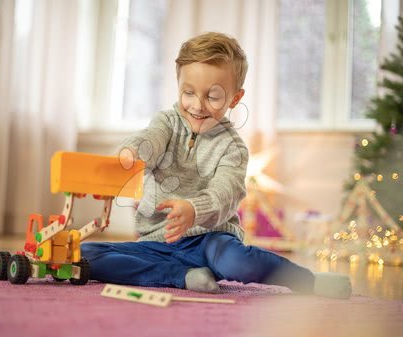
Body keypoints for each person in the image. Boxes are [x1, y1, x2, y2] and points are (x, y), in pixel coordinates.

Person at [81, 32, 352, 299]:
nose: (198, 105)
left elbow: (226, 192)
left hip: (211, 242)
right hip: (155, 244)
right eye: (189, 92)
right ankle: (183, 276)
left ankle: (308, 281)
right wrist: (132, 152)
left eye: (212, 96)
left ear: (234, 98)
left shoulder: (233, 148)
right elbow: (149, 140)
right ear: (179, 85)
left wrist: (193, 209)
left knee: (238, 262)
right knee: (86, 254)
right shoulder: (166, 122)